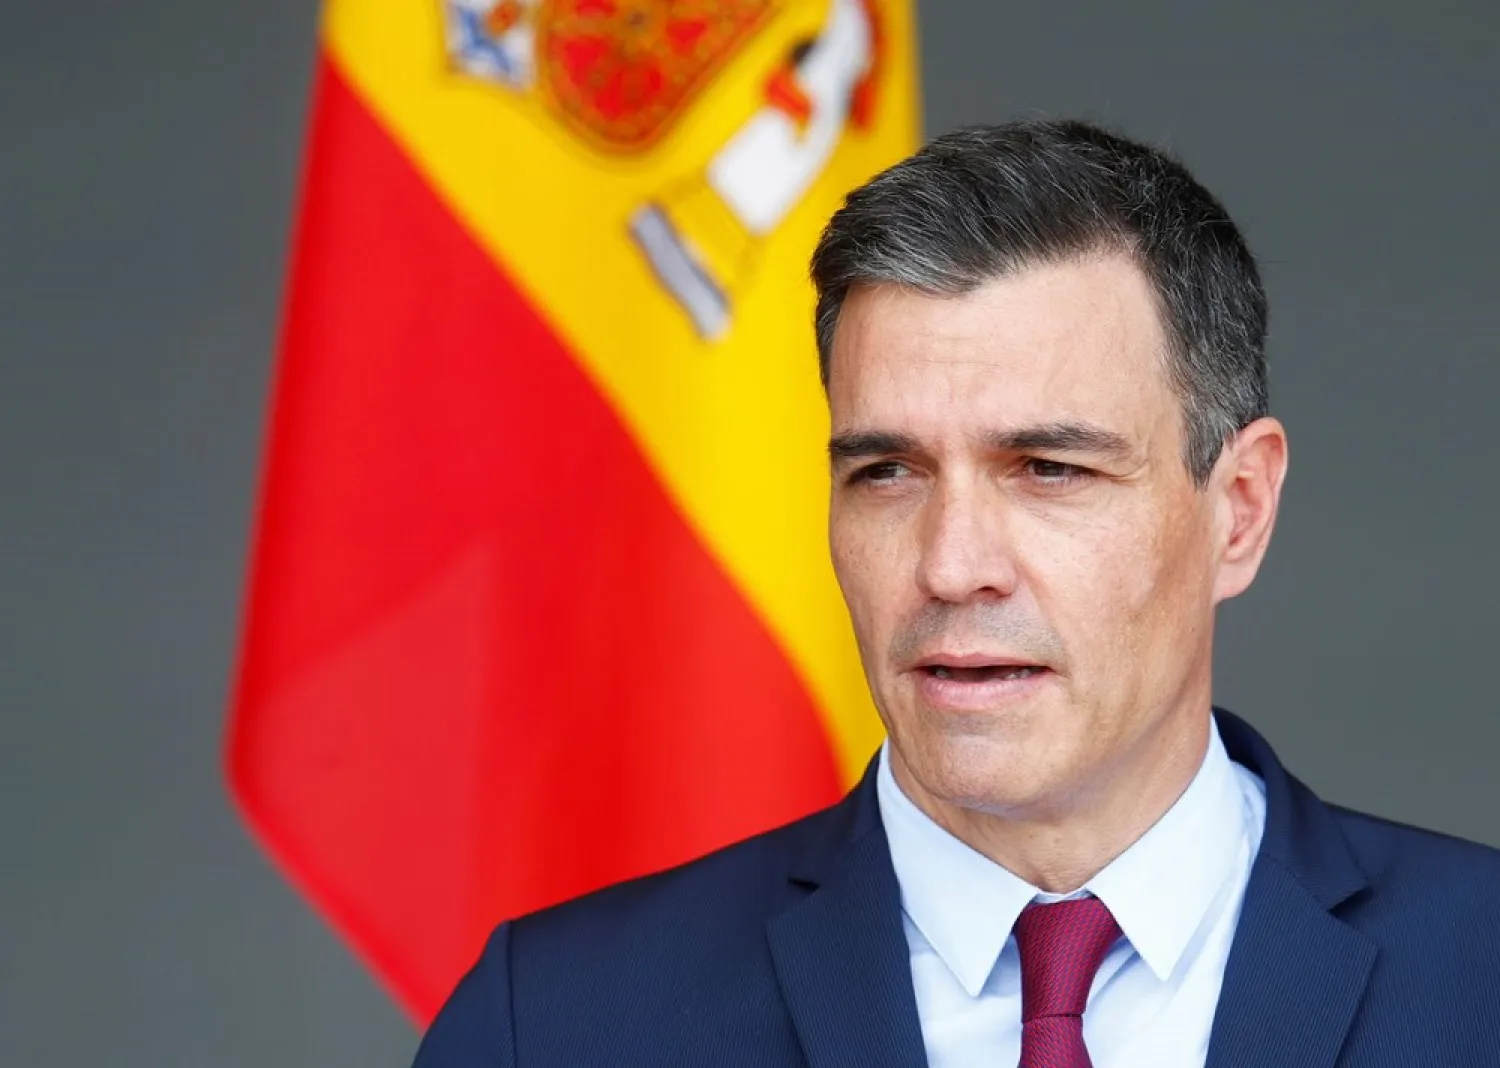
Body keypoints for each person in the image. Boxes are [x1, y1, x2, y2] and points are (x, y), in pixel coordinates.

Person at [412, 120, 1500, 1068]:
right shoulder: (560, 1025)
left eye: (1049, 470)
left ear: (1241, 508)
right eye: (886, 472)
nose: (949, 564)